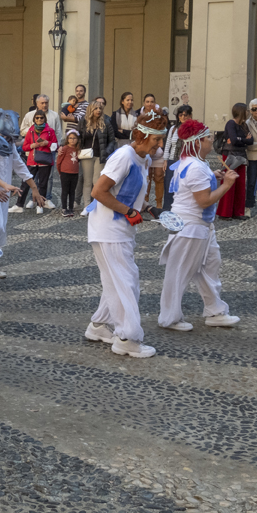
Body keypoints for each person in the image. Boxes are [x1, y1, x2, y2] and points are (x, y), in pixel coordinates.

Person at [83, 108, 168, 358]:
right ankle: (127, 338)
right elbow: (98, 191)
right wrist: (128, 212)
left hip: (117, 229)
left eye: (162, 139)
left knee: (115, 281)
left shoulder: (144, 159)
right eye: (157, 139)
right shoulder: (124, 157)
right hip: (109, 229)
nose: (160, 145)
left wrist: (149, 208)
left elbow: (129, 193)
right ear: (141, 136)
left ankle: (98, 326)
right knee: (126, 282)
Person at [157, 119, 241, 332]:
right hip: (191, 226)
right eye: (208, 137)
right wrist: (227, 185)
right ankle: (169, 317)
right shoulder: (195, 167)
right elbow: (204, 201)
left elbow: (192, 188)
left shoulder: (193, 162)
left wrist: (213, 177)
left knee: (210, 265)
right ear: (197, 142)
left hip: (200, 225)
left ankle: (215, 311)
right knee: (180, 271)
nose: (212, 140)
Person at [0, 111, 43, 285]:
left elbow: (19, 165)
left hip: (3, 191)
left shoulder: (10, 143)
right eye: (7, 137)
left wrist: (34, 188)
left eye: (12, 138)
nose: (9, 141)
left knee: (0, 228)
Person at [77, 102, 117, 216]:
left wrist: (108, 151)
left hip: (100, 156)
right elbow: (77, 136)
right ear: (91, 110)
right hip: (86, 155)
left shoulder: (106, 122)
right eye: (96, 108)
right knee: (87, 182)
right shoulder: (83, 122)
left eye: (100, 108)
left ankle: (96, 205)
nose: (98, 110)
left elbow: (112, 140)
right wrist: (77, 149)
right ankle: (86, 206)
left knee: (97, 182)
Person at [15, 110, 58, 214]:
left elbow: (56, 146)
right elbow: (24, 147)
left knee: (43, 184)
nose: (39, 120)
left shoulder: (50, 131)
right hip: (32, 160)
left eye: (41, 118)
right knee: (25, 182)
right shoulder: (30, 131)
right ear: (34, 119)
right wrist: (31, 146)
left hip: (45, 160)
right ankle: (19, 205)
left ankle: (40, 205)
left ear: (45, 119)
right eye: (37, 118)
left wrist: (48, 143)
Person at [216, 103, 252, 221]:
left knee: (240, 184)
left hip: (241, 155)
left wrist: (241, 140)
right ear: (241, 111)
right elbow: (235, 140)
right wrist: (244, 140)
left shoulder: (244, 125)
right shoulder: (231, 123)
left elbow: (251, 140)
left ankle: (238, 212)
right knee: (229, 182)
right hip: (230, 154)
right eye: (246, 110)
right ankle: (225, 213)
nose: (248, 112)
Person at [161, 105, 192, 211]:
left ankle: (180, 211)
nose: (183, 117)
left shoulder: (193, 129)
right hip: (172, 160)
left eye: (186, 114)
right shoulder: (173, 129)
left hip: (186, 161)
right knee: (169, 186)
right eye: (181, 115)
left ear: (190, 115)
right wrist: (165, 160)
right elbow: (168, 144)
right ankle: (167, 211)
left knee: (183, 187)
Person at [56, 130, 81, 217]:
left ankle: (71, 208)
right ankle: (64, 208)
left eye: (74, 138)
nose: (72, 140)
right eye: (70, 138)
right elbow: (58, 161)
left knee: (72, 191)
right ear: (67, 139)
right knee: (65, 191)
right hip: (65, 173)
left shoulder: (78, 149)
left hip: (75, 173)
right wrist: (60, 172)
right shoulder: (64, 148)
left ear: (77, 139)